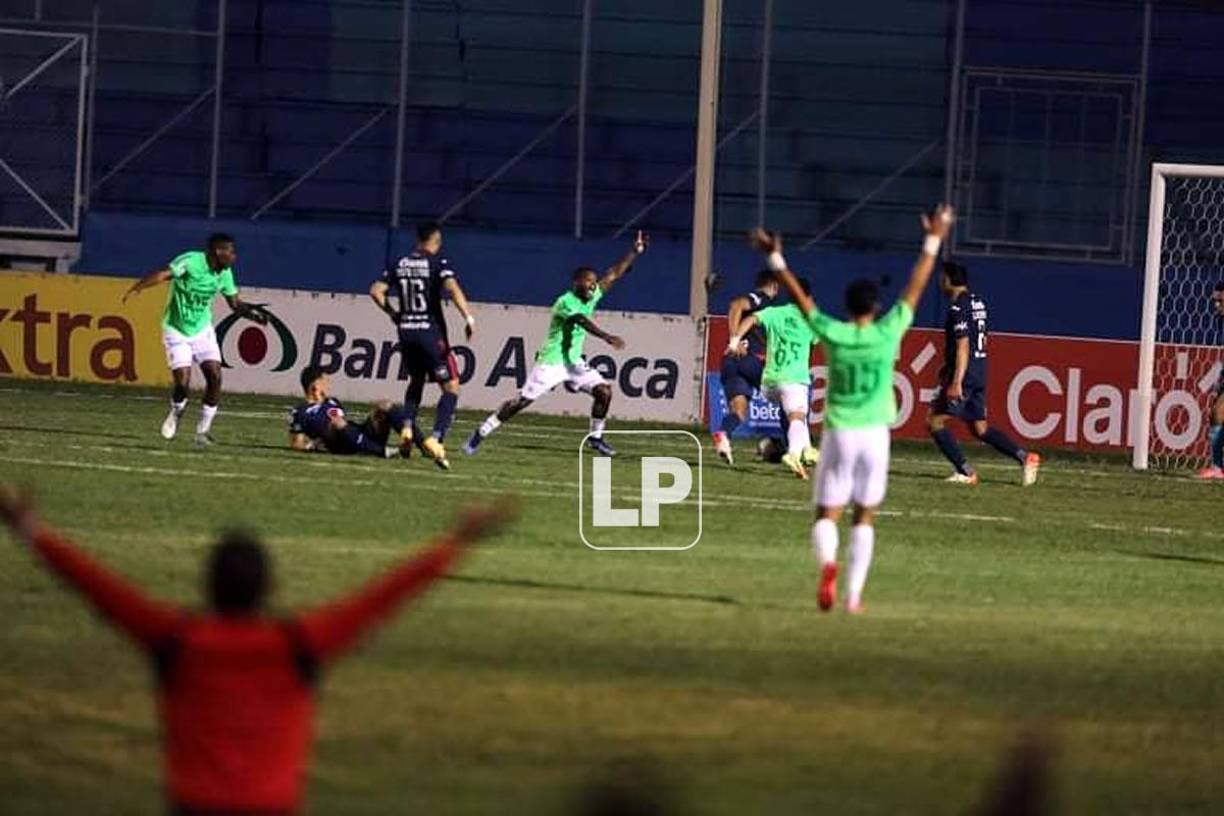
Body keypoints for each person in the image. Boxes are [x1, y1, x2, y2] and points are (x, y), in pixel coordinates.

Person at [0, 483, 517, 816]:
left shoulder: (177, 639)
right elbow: (384, 596)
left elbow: (97, 586)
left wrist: (28, 527)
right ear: (268, 588)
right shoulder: (297, 644)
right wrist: (458, 539)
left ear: (206, 584)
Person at [748, 204, 953, 613]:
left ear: (846, 308)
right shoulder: (888, 330)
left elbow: (804, 304)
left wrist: (775, 257)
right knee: (864, 516)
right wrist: (934, 238)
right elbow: (915, 286)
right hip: (876, 433)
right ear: (875, 308)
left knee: (827, 514)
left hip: (840, 432)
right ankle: (854, 597)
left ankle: (828, 565)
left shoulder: (834, 332)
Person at [464, 231, 648, 458]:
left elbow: (613, 274)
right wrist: (606, 337)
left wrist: (634, 252)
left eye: (593, 282)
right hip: (552, 362)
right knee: (522, 402)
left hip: (574, 363)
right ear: (577, 283)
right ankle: (481, 432)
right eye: (588, 282)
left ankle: (596, 439)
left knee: (604, 392)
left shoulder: (590, 296)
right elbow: (580, 320)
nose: (592, 286)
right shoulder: (564, 302)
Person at [123, 233, 268, 445]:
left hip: (202, 331)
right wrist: (139, 287)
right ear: (218, 252)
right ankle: (176, 412)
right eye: (231, 252)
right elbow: (165, 274)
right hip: (176, 330)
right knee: (183, 383)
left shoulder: (225, 273)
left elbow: (235, 304)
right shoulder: (191, 261)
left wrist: (254, 316)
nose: (234, 257)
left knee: (215, 377)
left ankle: (202, 432)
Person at [369, 222, 476, 471]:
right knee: (451, 386)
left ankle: (407, 427)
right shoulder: (438, 264)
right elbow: (453, 289)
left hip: (406, 332)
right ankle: (436, 438)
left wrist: (394, 314)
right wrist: (468, 318)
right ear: (436, 240)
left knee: (416, 380)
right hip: (430, 333)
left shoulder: (399, 263)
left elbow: (376, 291)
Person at [926, 261, 1041, 486]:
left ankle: (966, 471)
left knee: (934, 421)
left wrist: (956, 380)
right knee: (980, 428)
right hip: (979, 370)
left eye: (941, 277)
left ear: (949, 279)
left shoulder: (958, 308)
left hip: (965, 374)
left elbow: (963, 344)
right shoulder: (978, 302)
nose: (939, 282)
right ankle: (1025, 457)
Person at [729, 277, 820, 479]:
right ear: (807, 298)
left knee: (796, 414)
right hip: (793, 380)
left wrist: (735, 340)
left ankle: (807, 450)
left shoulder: (775, 313)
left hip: (769, 383)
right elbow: (816, 345)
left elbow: (750, 319)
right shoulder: (812, 321)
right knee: (797, 414)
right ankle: (794, 454)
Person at [713, 269, 780, 465]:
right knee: (788, 399)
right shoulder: (762, 299)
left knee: (739, 412)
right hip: (749, 360)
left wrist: (734, 343)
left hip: (730, 362)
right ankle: (788, 447)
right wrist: (735, 340)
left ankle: (723, 436)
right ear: (773, 286)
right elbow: (736, 305)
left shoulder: (762, 310)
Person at [289, 365, 413, 457]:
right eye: (325, 382)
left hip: (356, 435)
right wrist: (312, 445)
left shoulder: (332, 402)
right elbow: (296, 442)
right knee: (337, 423)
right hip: (340, 444)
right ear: (315, 385)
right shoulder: (300, 411)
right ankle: (385, 451)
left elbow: (341, 421)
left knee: (383, 405)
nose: (329, 385)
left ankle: (414, 440)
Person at [1195, 282, 1224, 479]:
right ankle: (1217, 467)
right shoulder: (1220, 320)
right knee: (1216, 413)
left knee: (1218, 412)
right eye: (1214, 301)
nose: (1216, 305)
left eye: (1220, 300)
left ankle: (1217, 467)